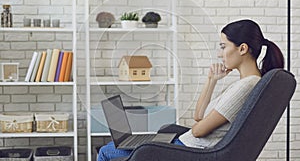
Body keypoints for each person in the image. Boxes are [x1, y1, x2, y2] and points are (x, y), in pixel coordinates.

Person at [97, 19, 284, 160]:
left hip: (190, 148)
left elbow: (198, 131)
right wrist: (211, 80)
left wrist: (180, 135)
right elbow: (199, 117)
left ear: (242, 48)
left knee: (106, 152)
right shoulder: (245, 83)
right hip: (186, 143)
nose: (220, 53)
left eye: (223, 46)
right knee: (122, 144)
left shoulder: (245, 86)